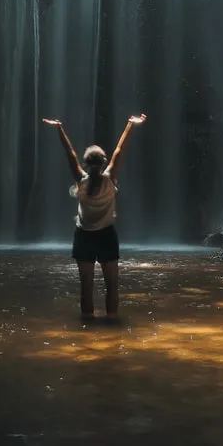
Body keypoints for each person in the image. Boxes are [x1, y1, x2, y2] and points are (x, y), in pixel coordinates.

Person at [42, 113, 147, 320]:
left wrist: (59, 129)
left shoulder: (81, 181)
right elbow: (119, 150)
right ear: (103, 162)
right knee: (112, 286)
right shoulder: (110, 180)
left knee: (86, 287)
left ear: (85, 163)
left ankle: (87, 327)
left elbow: (69, 154)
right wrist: (130, 125)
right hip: (107, 236)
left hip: (84, 237)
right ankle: (112, 321)